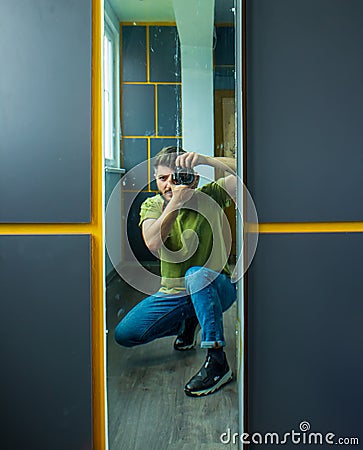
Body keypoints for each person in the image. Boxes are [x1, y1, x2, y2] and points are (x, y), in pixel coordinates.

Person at [114, 146, 237, 397]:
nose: (170, 184)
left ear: (192, 176)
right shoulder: (152, 205)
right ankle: (190, 319)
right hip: (175, 293)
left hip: (216, 285)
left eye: (177, 176)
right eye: (162, 178)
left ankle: (217, 361)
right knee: (125, 334)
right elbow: (152, 242)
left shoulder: (211, 194)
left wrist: (205, 160)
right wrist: (176, 204)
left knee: (196, 274)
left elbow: (247, 169)